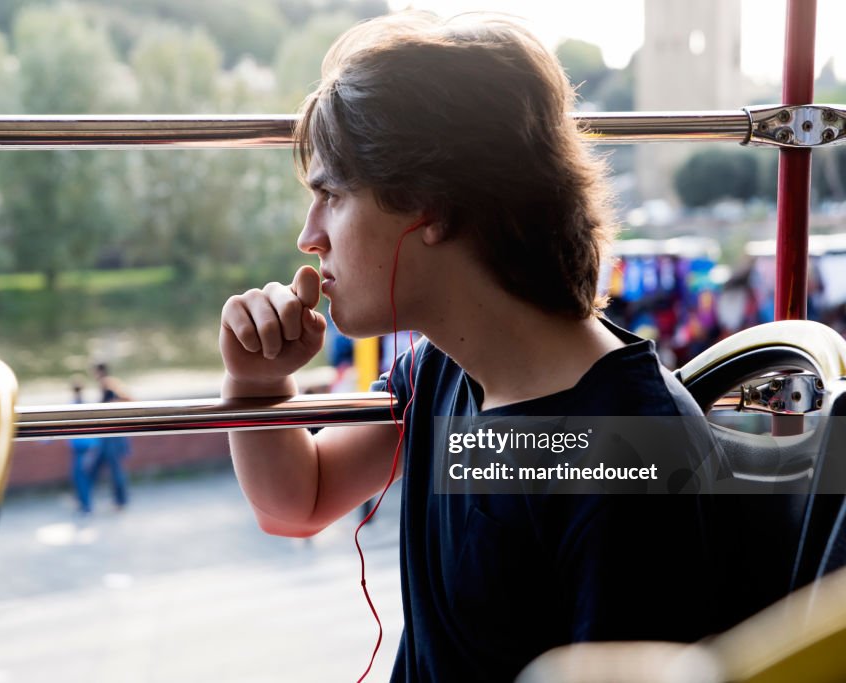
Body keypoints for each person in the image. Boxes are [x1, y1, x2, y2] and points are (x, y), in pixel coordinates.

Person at [219, 12, 745, 681]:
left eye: (332, 195)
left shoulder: (622, 449)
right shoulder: (446, 370)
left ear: (430, 205)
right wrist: (258, 386)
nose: (308, 235)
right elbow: (299, 500)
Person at [89, 362, 131, 510]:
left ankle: (120, 501)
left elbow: (129, 399)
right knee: (99, 467)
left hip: (113, 437)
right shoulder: (106, 383)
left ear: (99, 371)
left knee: (115, 469)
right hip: (108, 436)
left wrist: (113, 406)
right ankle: (117, 501)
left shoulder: (109, 383)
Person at [68, 375, 97, 515]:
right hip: (87, 447)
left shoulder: (72, 405)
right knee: (81, 476)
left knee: (81, 477)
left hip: (82, 448)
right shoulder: (86, 404)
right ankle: (83, 502)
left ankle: (86, 505)